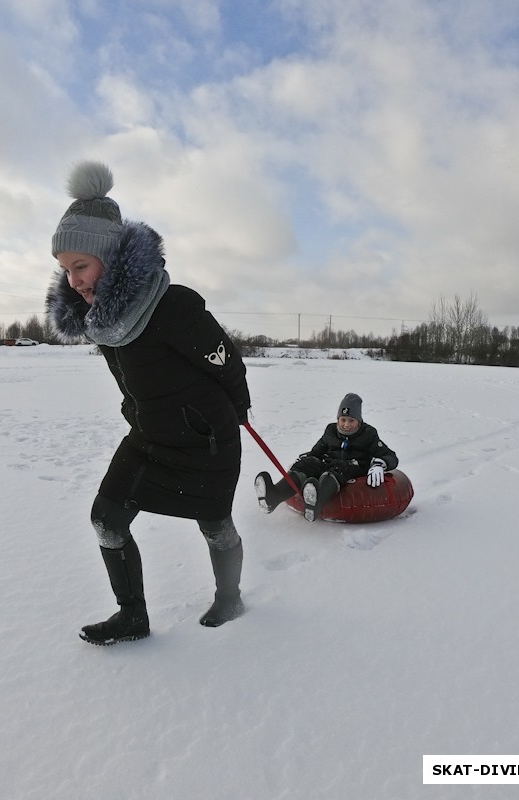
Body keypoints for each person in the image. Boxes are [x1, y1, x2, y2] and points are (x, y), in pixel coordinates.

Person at [45, 160, 251, 645]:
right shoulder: (103, 321)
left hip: (205, 439)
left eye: (81, 266)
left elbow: (226, 361)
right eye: (66, 270)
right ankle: (132, 616)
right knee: (105, 518)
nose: (73, 280)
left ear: (110, 259)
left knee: (215, 524)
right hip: (149, 435)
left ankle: (229, 597)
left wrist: (238, 407)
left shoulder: (172, 305)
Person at [254, 393, 398, 521]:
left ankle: (317, 501)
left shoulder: (368, 434)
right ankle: (274, 496)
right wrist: (303, 462)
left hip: (352, 466)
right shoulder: (331, 431)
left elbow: (390, 456)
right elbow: (317, 451)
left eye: (351, 421)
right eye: (343, 420)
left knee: (338, 469)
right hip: (328, 463)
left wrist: (380, 464)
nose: (346, 425)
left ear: (359, 421)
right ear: (338, 419)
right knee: (308, 463)